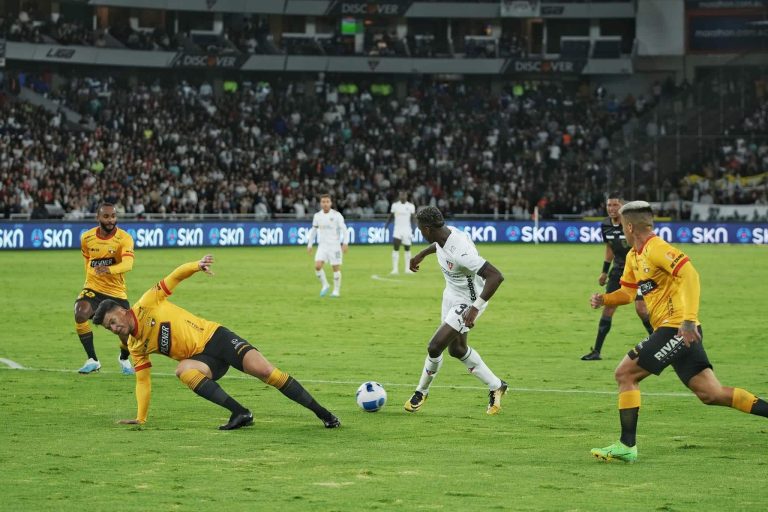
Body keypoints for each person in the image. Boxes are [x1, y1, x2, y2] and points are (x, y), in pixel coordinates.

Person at [589, 201, 768, 463]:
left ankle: (627, 445)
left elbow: (690, 275)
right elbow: (628, 293)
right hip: (677, 331)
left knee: (625, 373)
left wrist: (689, 321)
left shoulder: (657, 248)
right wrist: (604, 300)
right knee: (712, 394)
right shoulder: (633, 256)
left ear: (629, 227)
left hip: (678, 328)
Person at [92, 254, 341, 431]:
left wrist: (196, 265)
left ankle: (325, 414)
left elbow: (174, 276)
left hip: (217, 338)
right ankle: (240, 413)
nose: (114, 328)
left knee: (266, 372)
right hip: (204, 362)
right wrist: (140, 418)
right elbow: (142, 382)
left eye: (113, 321)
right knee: (182, 370)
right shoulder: (136, 347)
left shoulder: (147, 303)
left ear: (122, 311)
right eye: (108, 328)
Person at [404, 206, 508, 415]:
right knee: (457, 350)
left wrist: (475, 308)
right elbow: (438, 245)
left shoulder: (462, 251)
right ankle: (497, 385)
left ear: (427, 229)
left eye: (420, 229)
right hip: (451, 296)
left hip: (468, 302)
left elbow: (496, 276)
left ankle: (421, 391)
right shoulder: (443, 234)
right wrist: (421, 254)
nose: (419, 233)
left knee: (435, 347)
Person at [582, 194, 653, 361]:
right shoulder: (605, 225)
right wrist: (605, 271)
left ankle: (660, 343)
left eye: (615, 205)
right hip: (618, 271)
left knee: (641, 309)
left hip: (637, 271)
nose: (611, 208)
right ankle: (596, 351)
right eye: (609, 205)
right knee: (608, 308)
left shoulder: (630, 224)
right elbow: (610, 248)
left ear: (622, 207)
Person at [74, 203, 135, 375]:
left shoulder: (125, 238)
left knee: (126, 333)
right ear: (98, 218)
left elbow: (128, 264)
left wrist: (109, 269)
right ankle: (93, 360)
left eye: (113, 216)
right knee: (80, 312)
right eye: (106, 216)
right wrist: (89, 279)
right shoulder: (86, 238)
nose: (110, 220)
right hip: (93, 288)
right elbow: (88, 261)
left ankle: (123, 358)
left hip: (116, 292)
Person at [306, 193, 348, 297]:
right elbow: (313, 231)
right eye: (323, 202)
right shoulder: (317, 216)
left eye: (327, 202)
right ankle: (325, 285)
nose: (325, 204)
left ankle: (336, 291)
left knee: (336, 269)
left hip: (335, 246)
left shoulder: (337, 215)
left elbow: (344, 230)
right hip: (322, 246)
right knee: (317, 266)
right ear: (320, 203)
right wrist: (309, 244)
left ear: (331, 203)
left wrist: (345, 243)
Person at [384, 190, 416, 274]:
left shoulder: (411, 206)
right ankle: (395, 269)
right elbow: (390, 216)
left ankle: (407, 269)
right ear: (399, 196)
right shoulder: (395, 205)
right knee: (396, 248)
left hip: (407, 230)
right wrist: (386, 225)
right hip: (397, 230)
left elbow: (413, 219)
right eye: (401, 195)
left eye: (404, 195)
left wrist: (414, 229)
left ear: (406, 196)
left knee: (407, 249)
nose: (402, 196)